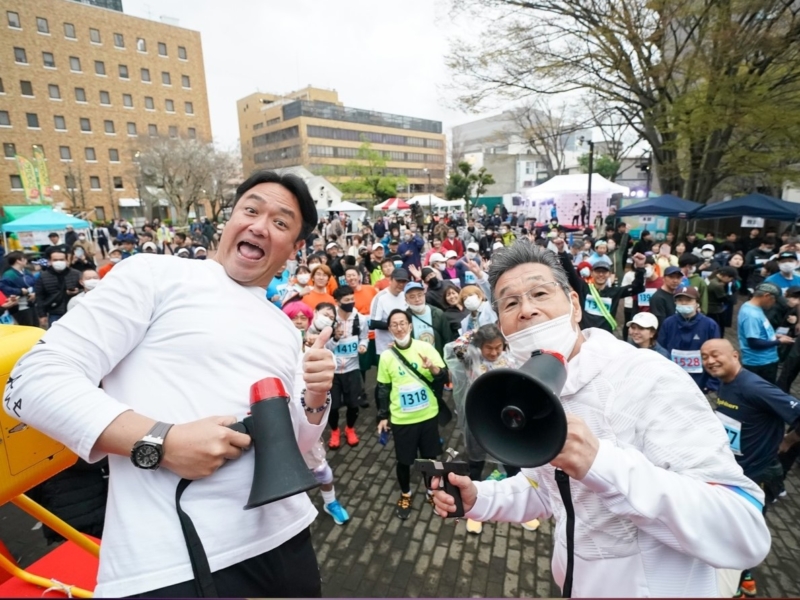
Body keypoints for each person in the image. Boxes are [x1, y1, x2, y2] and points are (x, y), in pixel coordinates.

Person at [3, 170, 336, 597]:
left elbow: (298, 444)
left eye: (280, 222)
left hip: (287, 537)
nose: (258, 225)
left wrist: (315, 395)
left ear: (294, 249)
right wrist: (162, 443)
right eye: (250, 210)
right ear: (229, 220)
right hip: (170, 563)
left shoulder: (284, 328)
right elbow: (30, 381)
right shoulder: (155, 274)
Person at [429, 240, 770, 598]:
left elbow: (743, 530)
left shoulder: (649, 377)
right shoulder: (526, 390)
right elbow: (545, 489)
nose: (526, 309)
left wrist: (599, 463)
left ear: (574, 305)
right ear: (501, 325)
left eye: (540, 293)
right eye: (511, 302)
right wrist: (479, 499)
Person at [701, 338, 800, 597]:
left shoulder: (754, 386)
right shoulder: (727, 383)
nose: (710, 361)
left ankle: (739, 584)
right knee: (729, 529)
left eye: (715, 355)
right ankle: (742, 575)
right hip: (734, 472)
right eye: (704, 357)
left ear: (735, 356)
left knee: (741, 532)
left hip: (758, 476)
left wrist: (788, 441)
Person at [376, 309, 447, 520]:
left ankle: (431, 491)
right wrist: (382, 416)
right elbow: (382, 388)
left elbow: (441, 377)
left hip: (427, 416)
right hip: (402, 419)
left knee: (430, 458)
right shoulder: (387, 356)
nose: (399, 328)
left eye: (402, 323)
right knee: (404, 461)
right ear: (389, 329)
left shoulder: (425, 348)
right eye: (394, 325)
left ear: (410, 325)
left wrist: (432, 367)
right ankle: (406, 493)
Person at [326, 287, 368, 449]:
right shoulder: (330, 319)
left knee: (353, 404)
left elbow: (364, 338)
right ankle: (334, 431)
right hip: (333, 370)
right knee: (333, 406)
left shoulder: (360, 319)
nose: (350, 304)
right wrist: (336, 338)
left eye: (352, 300)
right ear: (337, 302)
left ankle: (350, 428)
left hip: (352, 369)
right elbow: (325, 347)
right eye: (346, 301)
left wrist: (363, 346)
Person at [657, 286, 721, 393]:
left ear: (697, 303)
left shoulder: (710, 325)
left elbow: (717, 354)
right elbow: (660, 350)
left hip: (700, 380)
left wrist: (712, 383)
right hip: (673, 379)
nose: (684, 303)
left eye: (689, 300)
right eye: (680, 300)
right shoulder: (668, 323)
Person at [737, 282, 794, 384]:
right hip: (760, 364)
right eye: (774, 299)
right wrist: (779, 341)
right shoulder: (751, 315)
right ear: (766, 296)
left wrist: (774, 336)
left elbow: (758, 333)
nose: (774, 303)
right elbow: (754, 343)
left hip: (765, 361)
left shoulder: (753, 308)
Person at [35, 247, 83, 328]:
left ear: (67, 260)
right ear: (50, 261)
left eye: (61, 259)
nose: (59, 262)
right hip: (55, 312)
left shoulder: (76, 274)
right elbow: (40, 296)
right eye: (55, 260)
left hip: (75, 311)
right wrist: (42, 315)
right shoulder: (43, 276)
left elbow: (85, 290)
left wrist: (78, 291)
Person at [369, 268, 410, 357]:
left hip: (404, 345)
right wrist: (396, 326)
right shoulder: (380, 297)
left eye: (404, 282)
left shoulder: (405, 296)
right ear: (390, 280)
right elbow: (373, 323)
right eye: (398, 281)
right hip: (385, 347)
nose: (401, 284)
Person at [405, 281, 453, 356]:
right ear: (406, 300)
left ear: (424, 296)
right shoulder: (405, 317)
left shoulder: (437, 314)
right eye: (412, 297)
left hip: (438, 361)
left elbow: (448, 339)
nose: (417, 299)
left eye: (420, 295)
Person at [0, 251, 37, 327]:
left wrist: (34, 292)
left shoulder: (27, 272)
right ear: (18, 261)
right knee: (27, 328)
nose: (26, 261)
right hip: (20, 306)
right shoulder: (8, 274)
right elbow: (4, 288)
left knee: (36, 326)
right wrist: (20, 291)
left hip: (31, 304)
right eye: (24, 259)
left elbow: (35, 284)